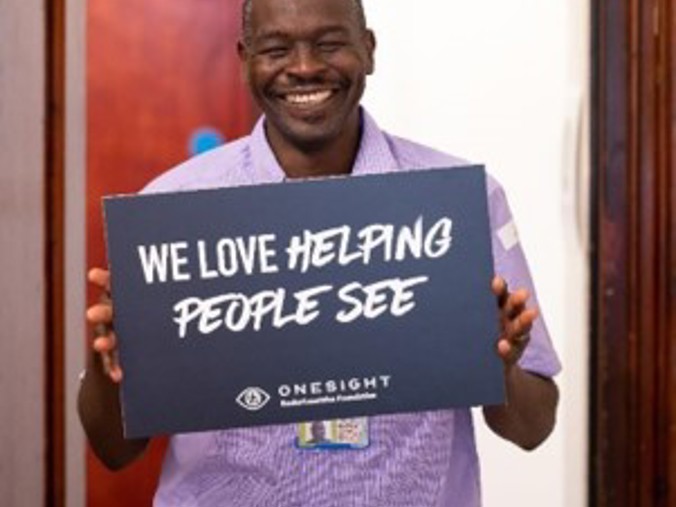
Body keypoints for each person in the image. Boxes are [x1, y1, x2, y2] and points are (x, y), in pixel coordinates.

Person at [79, 0, 561, 505]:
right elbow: (114, 450)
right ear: (245, 59)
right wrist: (108, 365)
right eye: (276, 49)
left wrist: (500, 368)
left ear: (369, 50)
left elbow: (533, 428)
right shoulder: (173, 212)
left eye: (330, 44)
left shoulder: (462, 206)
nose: (305, 67)